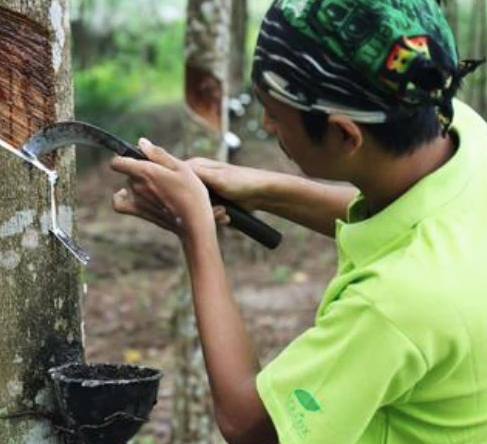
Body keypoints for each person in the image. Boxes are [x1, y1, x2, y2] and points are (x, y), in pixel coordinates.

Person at [110, 0, 487, 443]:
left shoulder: (395, 304)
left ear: (345, 134)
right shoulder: (455, 126)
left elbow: (251, 425)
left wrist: (196, 231)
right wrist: (265, 189)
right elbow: (404, 220)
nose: (267, 125)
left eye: (276, 112)